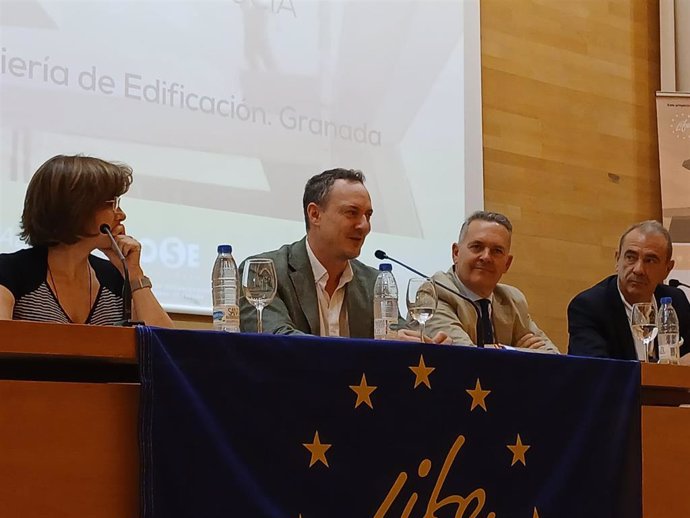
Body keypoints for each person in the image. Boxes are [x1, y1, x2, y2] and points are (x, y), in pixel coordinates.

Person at [239, 168, 448, 343]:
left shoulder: (373, 282)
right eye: (352, 213)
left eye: (368, 215)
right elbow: (278, 342)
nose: (364, 226)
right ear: (315, 214)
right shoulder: (266, 271)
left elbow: (397, 334)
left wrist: (424, 345)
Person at [0, 155, 173, 328]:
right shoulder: (9, 270)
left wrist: (134, 273)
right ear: (76, 209)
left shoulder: (116, 277)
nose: (121, 215)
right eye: (111, 204)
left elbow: (167, 347)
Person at [422, 211, 559, 353]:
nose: (486, 257)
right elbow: (464, 355)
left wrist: (509, 353)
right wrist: (516, 352)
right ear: (456, 253)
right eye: (477, 247)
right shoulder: (434, 292)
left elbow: (554, 356)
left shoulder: (512, 300)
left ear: (507, 263)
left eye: (497, 251)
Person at [568, 220, 690, 361]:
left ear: (667, 269)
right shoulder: (589, 307)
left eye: (650, 260)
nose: (638, 270)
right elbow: (595, 371)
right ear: (617, 260)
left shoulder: (676, 301)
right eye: (631, 257)